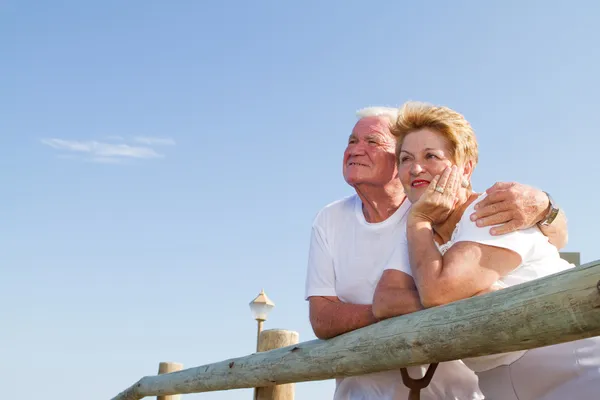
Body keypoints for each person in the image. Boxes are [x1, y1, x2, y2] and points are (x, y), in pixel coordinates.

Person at [304, 106, 569, 400]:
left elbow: (552, 237)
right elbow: (371, 304)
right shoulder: (343, 220)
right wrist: (462, 302)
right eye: (352, 141)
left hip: (475, 390)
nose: (356, 150)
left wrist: (546, 206)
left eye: (373, 141)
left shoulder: (447, 206)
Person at [373, 101, 599, 400]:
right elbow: (385, 300)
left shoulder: (490, 209)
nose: (416, 168)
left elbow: (439, 291)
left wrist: (420, 225)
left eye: (431, 156)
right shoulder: (421, 234)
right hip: (503, 387)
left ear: (465, 168)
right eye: (405, 158)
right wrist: (469, 300)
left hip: (578, 370)